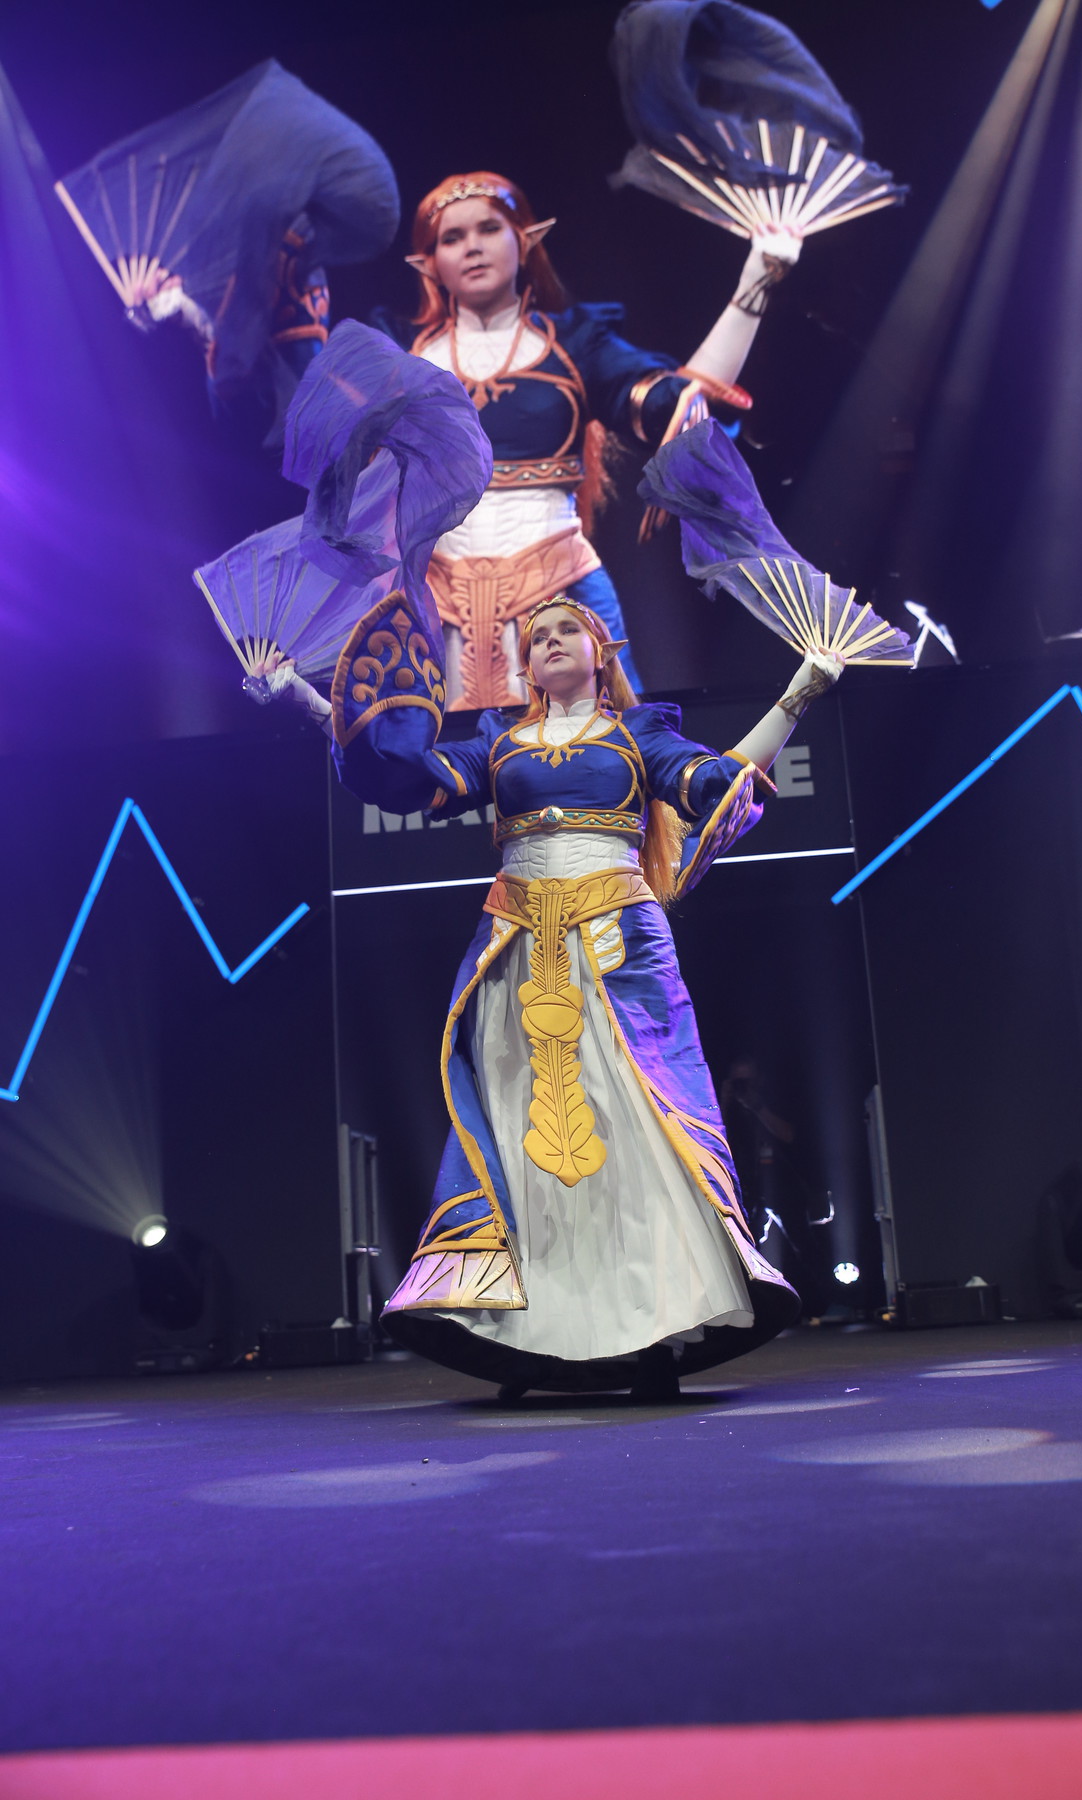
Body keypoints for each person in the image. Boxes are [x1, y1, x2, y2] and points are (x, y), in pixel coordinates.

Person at [268, 589, 840, 1400]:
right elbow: (403, 773)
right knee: (521, 1139)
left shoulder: (638, 734)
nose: (552, 642)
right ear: (526, 666)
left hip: (619, 952)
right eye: (538, 638)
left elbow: (719, 782)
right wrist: (301, 697)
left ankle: (653, 1336)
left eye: (568, 630)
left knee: (635, 1132)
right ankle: (527, 1341)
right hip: (518, 950)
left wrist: (799, 693)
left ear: (601, 651)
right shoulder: (500, 743)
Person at [383, 170, 803, 708]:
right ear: (428, 264)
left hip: (559, 584)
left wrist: (755, 283)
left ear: (525, 240)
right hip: (432, 598)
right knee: (434, 754)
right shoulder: (400, 356)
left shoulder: (577, 344)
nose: (472, 247)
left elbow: (682, 402)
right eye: (452, 237)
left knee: (603, 747)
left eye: (489, 228)